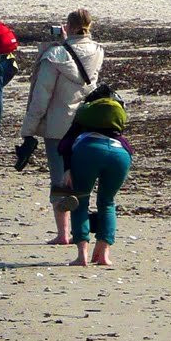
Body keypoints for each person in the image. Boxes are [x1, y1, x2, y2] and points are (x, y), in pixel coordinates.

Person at [18, 9, 105, 244]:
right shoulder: (97, 50)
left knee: (59, 180)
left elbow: (41, 96)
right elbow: (81, 70)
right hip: (85, 123)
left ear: (68, 25)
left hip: (58, 125)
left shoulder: (55, 54)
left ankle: (63, 234)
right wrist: (67, 42)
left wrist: (28, 130)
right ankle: (80, 233)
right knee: (82, 179)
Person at [59, 87, 133, 267]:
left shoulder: (85, 114)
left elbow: (65, 145)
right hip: (120, 154)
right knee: (107, 202)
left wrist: (67, 169)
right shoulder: (115, 115)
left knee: (81, 200)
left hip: (87, 151)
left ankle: (81, 255)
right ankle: (103, 254)